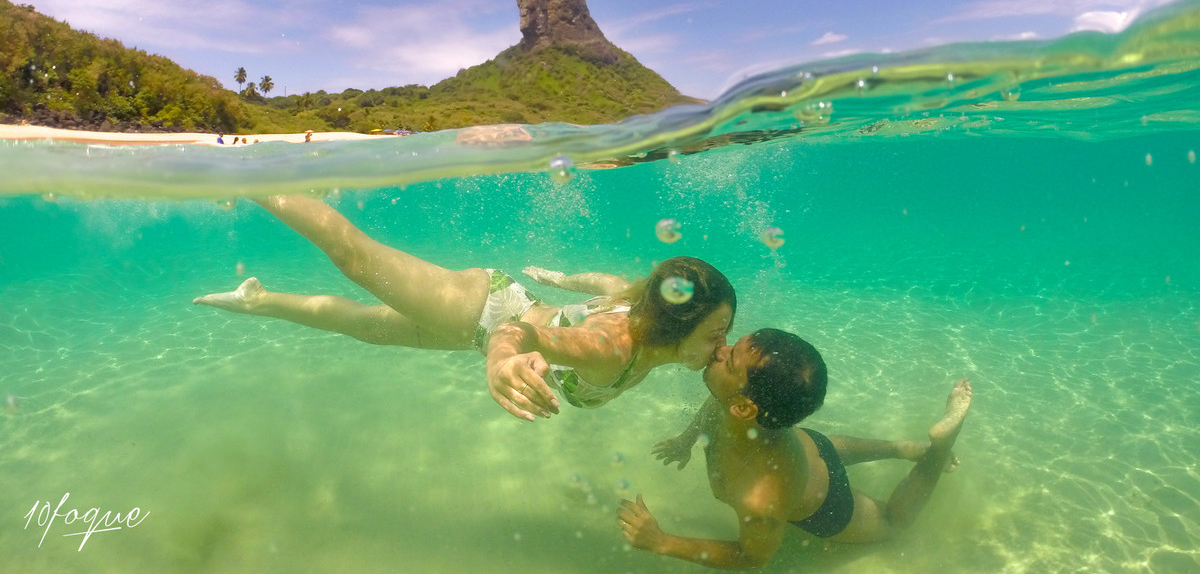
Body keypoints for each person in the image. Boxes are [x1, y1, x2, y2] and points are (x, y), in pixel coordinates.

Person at [194, 195, 736, 422]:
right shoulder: (611, 347)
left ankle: (257, 299)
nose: (724, 346)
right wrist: (501, 360)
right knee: (356, 259)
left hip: (479, 327)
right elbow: (523, 333)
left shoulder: (639, 299)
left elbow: (604, 281)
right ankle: (253, 180)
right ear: (674, 323)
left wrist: (560, 280)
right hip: (486, 313)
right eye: (717, 334)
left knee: (364, 328)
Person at [618, 329, 972, 569]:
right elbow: (714, 408)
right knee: (825, 449)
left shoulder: (762, 500)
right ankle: (901, 447)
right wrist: (686, 440)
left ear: (743, 407)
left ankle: (938, 449)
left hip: (826, 504)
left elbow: (753, 558)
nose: (718, 350)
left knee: (894, 523)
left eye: (729, 360)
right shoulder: (736, 405)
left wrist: (661, 542)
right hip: (806, 448)